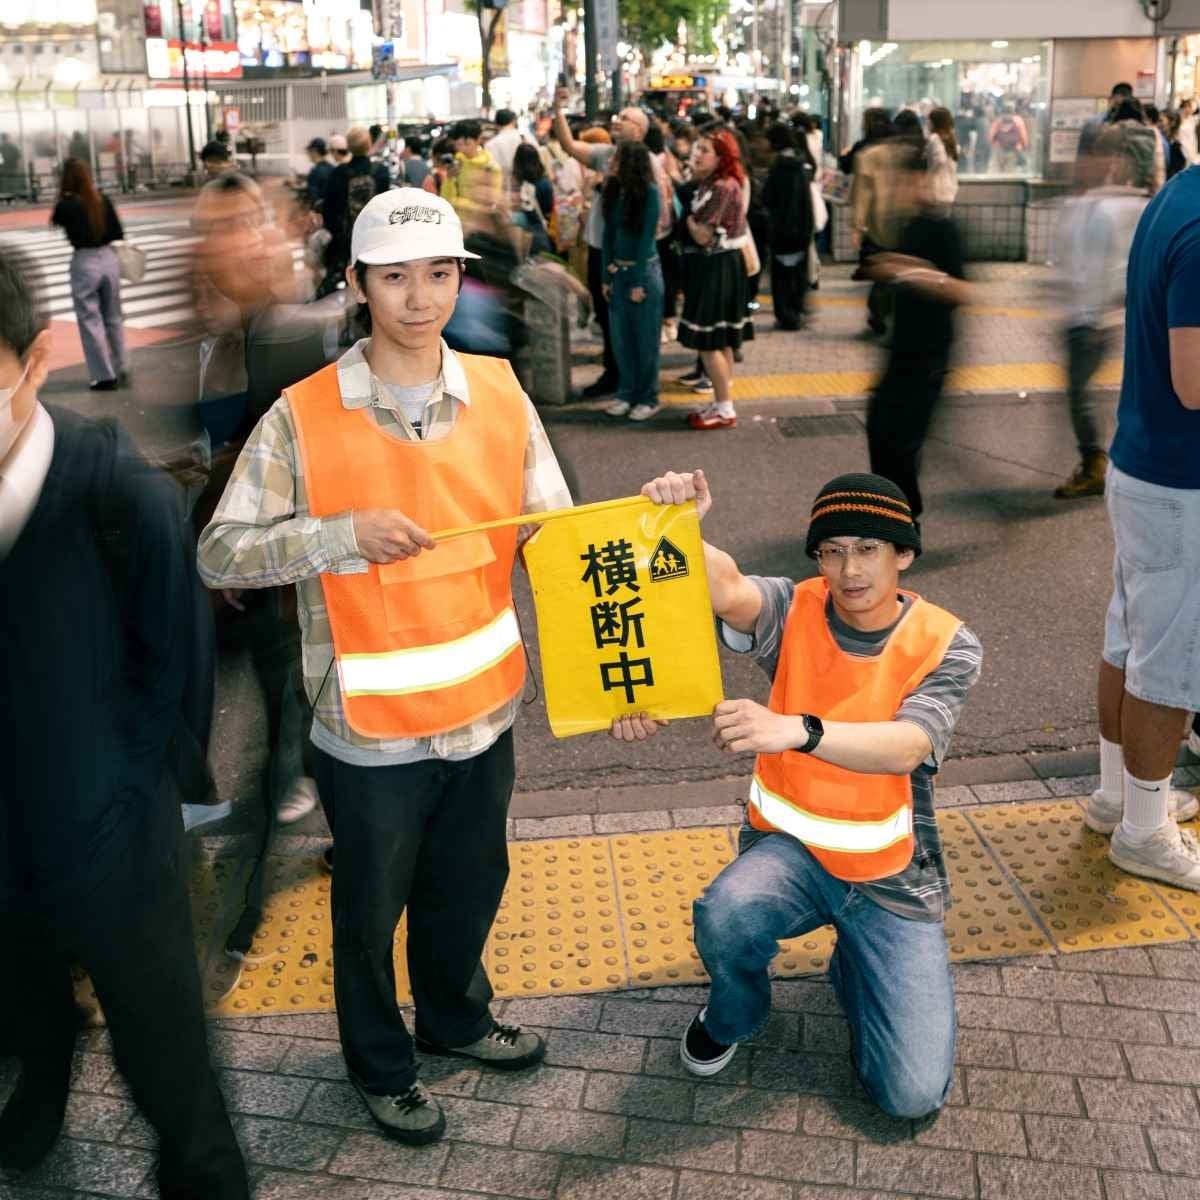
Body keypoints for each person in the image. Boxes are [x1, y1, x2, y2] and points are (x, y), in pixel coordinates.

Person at [196, 188, 569, 1144]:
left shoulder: (500, 390)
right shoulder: (301, 415)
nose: (419, 298)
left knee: (470, 884)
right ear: (356, 285)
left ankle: (454, 1017)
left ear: (459, 277)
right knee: (368, 918)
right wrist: (335, 535)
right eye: (394, 277)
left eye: (438, 273)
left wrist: (652, 516)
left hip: (484, 710)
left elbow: (559, 540)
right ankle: (381, 1065)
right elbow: (220, 551)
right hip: (367, 725)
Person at [618, 467, 981, 1119]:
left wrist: (797, 730)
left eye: (869, 549)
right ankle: (735, 1013)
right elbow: (725, 586)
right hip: (792, 857)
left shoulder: (947, 643)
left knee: (911, 1097)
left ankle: (855, 967)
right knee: (725, 910)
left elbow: (910, 744)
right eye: (833, 550)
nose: (850, 569)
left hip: (890, 879)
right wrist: (676, 527)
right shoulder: (795, 611)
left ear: (904, 554)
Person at [0, 251, 250, 1196]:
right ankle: (41, 1087)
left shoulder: (120, 494)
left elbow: (179, 680)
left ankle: (203, 1175)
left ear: (35, 361)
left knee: (167, 1056)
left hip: (113, 838)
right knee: (23, 997)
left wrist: (113, 792)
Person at [1085, 137, 1200, 889]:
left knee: (1129, 638)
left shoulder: (1178, 194)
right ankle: (1143, 831)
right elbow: (1195, 380)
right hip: (1182, 485)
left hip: (1142, 464)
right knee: (1173, 665)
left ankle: (1117, 795)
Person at [862, 144, 971, 525]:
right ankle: (895, 514)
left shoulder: (943, 227)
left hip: (930, 355)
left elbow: (963, 291)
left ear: (922, 179)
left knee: (900, 440)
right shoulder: (905, 226)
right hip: (902, 351)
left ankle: (902, 520)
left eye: (902, 180)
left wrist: (907, 271)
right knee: (881, 430)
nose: (896, 189)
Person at [1051, 127, 1149, 500]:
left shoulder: (1118, 207)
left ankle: (1096, 463)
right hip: (1081, 316)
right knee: (1078, 392)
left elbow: (1115, 268)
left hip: (1093, 320)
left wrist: (1098, 313)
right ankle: (1096, 459)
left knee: (1079, 392)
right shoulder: (1083, 204)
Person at [552, 90, 654, 398]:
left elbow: (652, 223)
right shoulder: (607, 154)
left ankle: (631, 383)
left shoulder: (643, 166)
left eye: (625, 118)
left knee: (627, 322)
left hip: (628, 257)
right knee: (608, 316)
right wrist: (558, 109)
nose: (617, 121)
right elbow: (569, 145)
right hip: (601, 249)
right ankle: (617, 374)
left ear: (639, 130)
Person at [678, 128, 753, 430]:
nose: (697, 155)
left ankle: (724, 408)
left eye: (705, 150)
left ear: (722, 156)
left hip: (719, 266)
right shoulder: (711, 183)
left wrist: (688, 219)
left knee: (710, 342)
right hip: (719, 265)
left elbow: (702, 235)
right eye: (696, 149)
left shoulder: (724, 186)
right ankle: (722, 402)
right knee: (720, 340)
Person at [50, 158, 126, 392]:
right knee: (113, 316)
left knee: (90, 319)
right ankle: (122, 366)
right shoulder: (102, 199)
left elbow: (55, 222)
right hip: (108, 259)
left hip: (85, 262)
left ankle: (104, 376)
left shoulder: (66, 205)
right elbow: (118, 231)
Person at [601, 141, 663, 422]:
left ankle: (648, 397)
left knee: (645, 341)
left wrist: (637, 281)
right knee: (621, 340)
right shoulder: (613, 189)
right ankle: (627, 393)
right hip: (619, 273)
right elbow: (607, 234)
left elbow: (646, 238)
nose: (612, 161)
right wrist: (606, 274)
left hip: (644, 274)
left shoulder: (649, 193)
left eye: (617, 157)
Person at [322, 125, 392, 292]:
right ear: (369, 144)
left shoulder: (338, 173)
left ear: (349, 146)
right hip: (376, 236)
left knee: (350, 278)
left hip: (347, 239)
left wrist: (337, 233)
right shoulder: (381, 172)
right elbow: (387, 207)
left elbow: (329, 210)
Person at [761, 122, 814, 332]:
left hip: (781, 228)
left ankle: (785, 316)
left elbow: (768, 198)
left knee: (781, 275)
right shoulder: (802, 164)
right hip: (802, 227)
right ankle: (797, 311)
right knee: (798, 272)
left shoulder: (778, 167)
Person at [441, 119, 503, 228]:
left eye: (467, 144)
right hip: (456, 224)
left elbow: (491, 203)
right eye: (459, 144)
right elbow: (446, 199)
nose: (462, 148)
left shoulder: (490, 167)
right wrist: (449, 178)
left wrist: (457, 202)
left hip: (480, 226)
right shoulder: (457, 163)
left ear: (478, 140)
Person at [509, 142, 554, 256]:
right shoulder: (544, 183)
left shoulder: (515, 181)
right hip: (541, 231)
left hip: (519, 231)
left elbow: (512, 203)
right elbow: (548, 209)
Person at [926, 106, 959, 208]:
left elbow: (940, 160)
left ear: (934, 123)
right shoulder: (952, 140)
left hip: (936, 192)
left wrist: (928, 177)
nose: (927, 123)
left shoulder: (935, 139)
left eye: (929, 120)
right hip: (950, 191)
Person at [988, 103, 1029, 174]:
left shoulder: (998, 120)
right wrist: (1024, 146)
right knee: (1010, 173)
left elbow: (991, 136)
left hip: (1000, 149)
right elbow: (1023, 136)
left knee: (997, 171)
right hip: (1013, 150)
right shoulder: (1018, 120)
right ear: (1013, 112)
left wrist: (994, 145)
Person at [487, 108, 525, 185]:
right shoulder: (523, 138)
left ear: (496, 123)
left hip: (500, 185)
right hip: (522, 185)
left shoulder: (491, 144)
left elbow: (490, 169)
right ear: (513, 121)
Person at [305, 137, 333, 203]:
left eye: (309, 151)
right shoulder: (333, 168)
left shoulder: (315, 172)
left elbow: (314, 197)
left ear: (315, 151)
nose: (308, 154)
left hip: (320, 210)